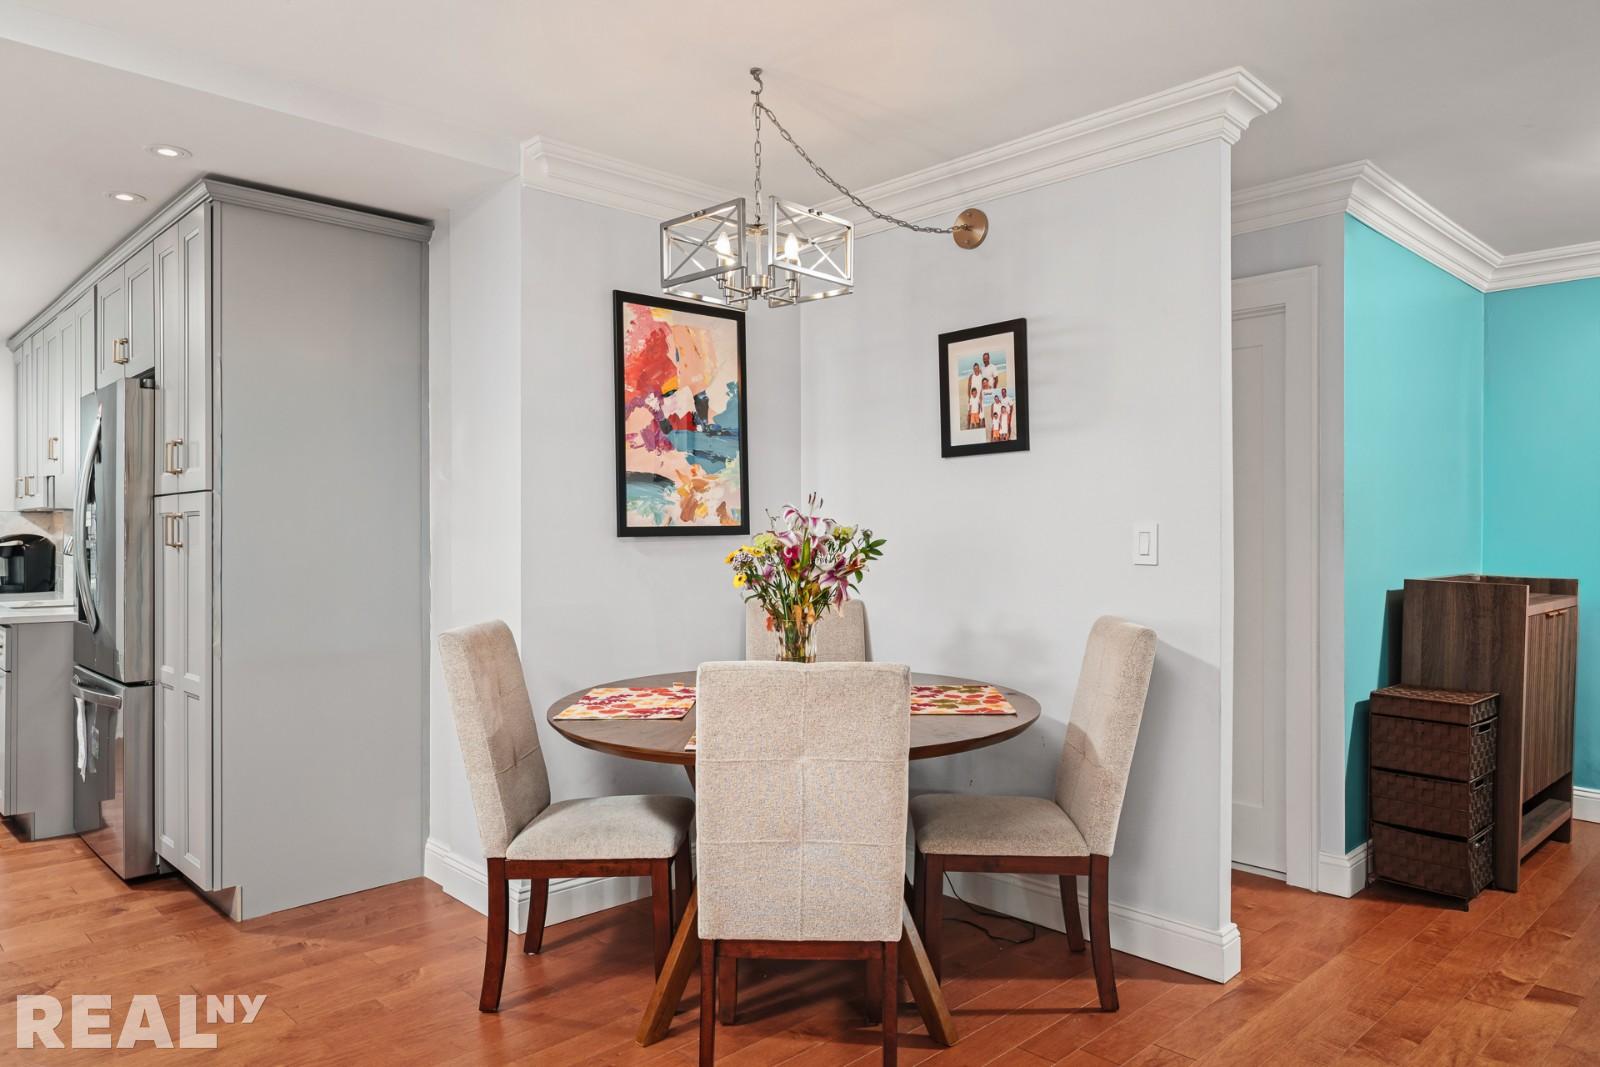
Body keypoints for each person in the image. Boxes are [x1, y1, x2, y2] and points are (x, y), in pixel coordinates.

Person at [966, 360, 984, 429]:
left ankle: (978, 426)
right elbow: (968, 387)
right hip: (972, 397)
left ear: (979, 368)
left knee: (978, 412)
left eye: (977, 368)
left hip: (979, 397)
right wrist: (969, 397)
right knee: (969, 413)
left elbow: (983, 386)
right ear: (973, 369)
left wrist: (981, 396)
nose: (976, 369)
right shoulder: (971, 376)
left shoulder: (981, 376)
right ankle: (968, 426)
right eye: (975, 368)